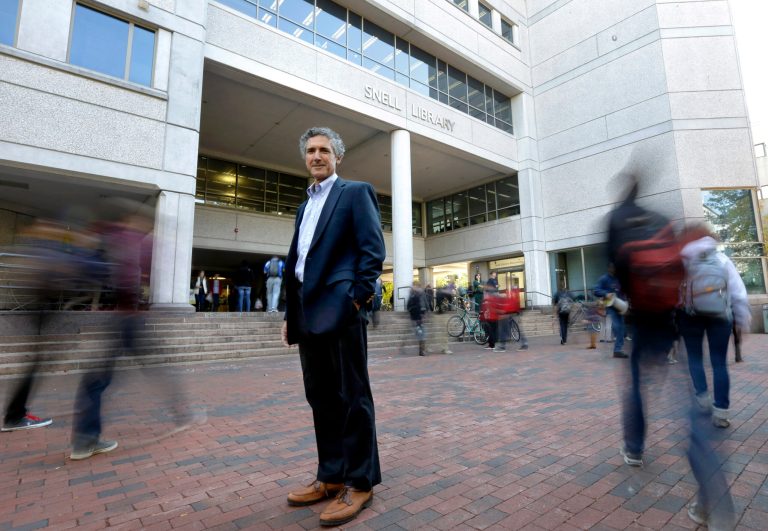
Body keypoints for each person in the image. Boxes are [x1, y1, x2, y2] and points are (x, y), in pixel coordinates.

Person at [281, 127, 385, 527]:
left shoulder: (355, 193)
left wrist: (356, 298)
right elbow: (298, 265)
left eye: (324, 150)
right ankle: (330, 475)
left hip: (341, 312)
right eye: (310, 150)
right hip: (308, 314)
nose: (317, 156)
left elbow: (372, 251)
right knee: (320, 398)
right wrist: (292, 316)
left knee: (352, 397)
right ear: (304, 157)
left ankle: (359, 483)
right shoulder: (303, 206)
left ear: (337, 156)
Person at [679, 224, 750, 429]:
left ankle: (702, 398)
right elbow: (738, 292)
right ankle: (721, 413)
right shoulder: (722, 259)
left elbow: (676, 292)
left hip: (690, 315)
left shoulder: (683, 260)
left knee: (695, 358)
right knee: (719, 362)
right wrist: (741, 319)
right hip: (721, 315)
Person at [594, 263, 627, 358]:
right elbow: (596, 290)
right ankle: (617, 349)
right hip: (610, 306)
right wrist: (605, 294)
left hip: (620, 305)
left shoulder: (619, 278)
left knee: (621, 327)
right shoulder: (604, 279)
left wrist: (626, 303)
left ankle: (618, 350)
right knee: (617, 326)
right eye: (613, 267)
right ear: (609, 268)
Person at [406, 281, 428, 356]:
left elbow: (424, 302)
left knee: (421, 333)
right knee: (420, 333)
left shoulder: (416, 293)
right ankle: (422, 350)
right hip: (417, 316)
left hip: (419, 315)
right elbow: (409, 306)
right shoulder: (413, 294)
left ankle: (422, 350)